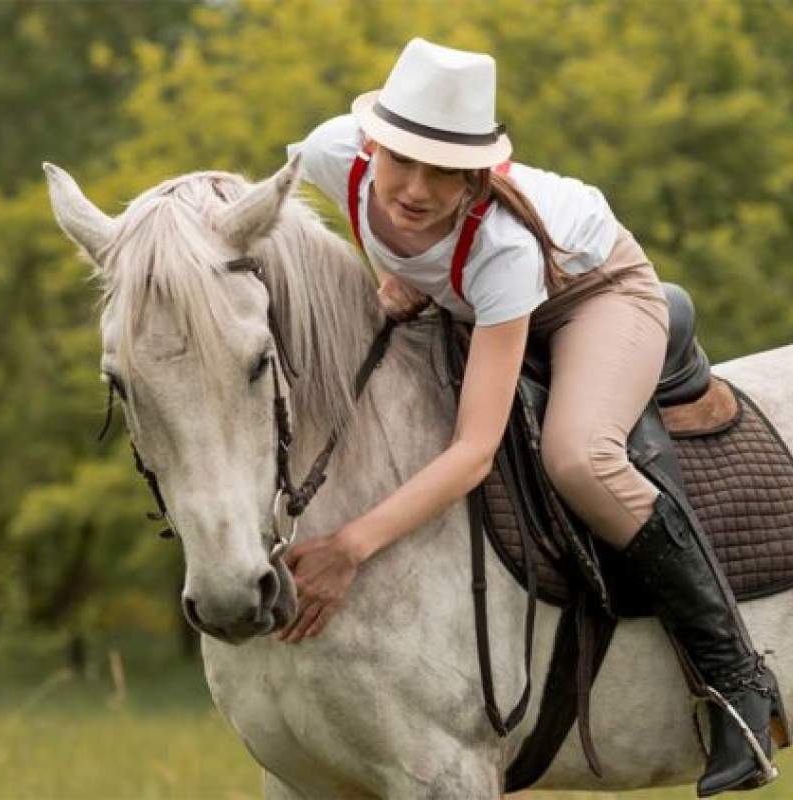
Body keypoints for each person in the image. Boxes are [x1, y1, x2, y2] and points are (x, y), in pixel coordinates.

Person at [278, 37, 782, 796]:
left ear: (476, 175)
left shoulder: (501, 246)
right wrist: (395, 272)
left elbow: (474, 452)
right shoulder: (327, 153)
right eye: (402, 161)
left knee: (580, 457)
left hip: (596, 294)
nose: (414, 189)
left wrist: (349, 547)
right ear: (370, 144)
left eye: (444, 172)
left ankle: (738, 682)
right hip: (478, 300)